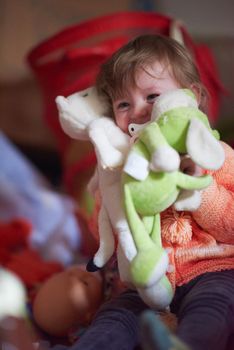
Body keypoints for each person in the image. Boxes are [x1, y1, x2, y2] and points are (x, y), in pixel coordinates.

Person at [49, 34, 234, 350]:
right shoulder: (118, 166)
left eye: (151, 96)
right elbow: (104, 229)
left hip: (211, 270)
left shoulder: (215, 154)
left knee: (215, 309)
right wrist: (116, 195)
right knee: (114, 317)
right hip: (142, 283)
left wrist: (198, 194)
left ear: (190, 96)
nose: (137, 111)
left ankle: (183, 344)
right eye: (123, 103)